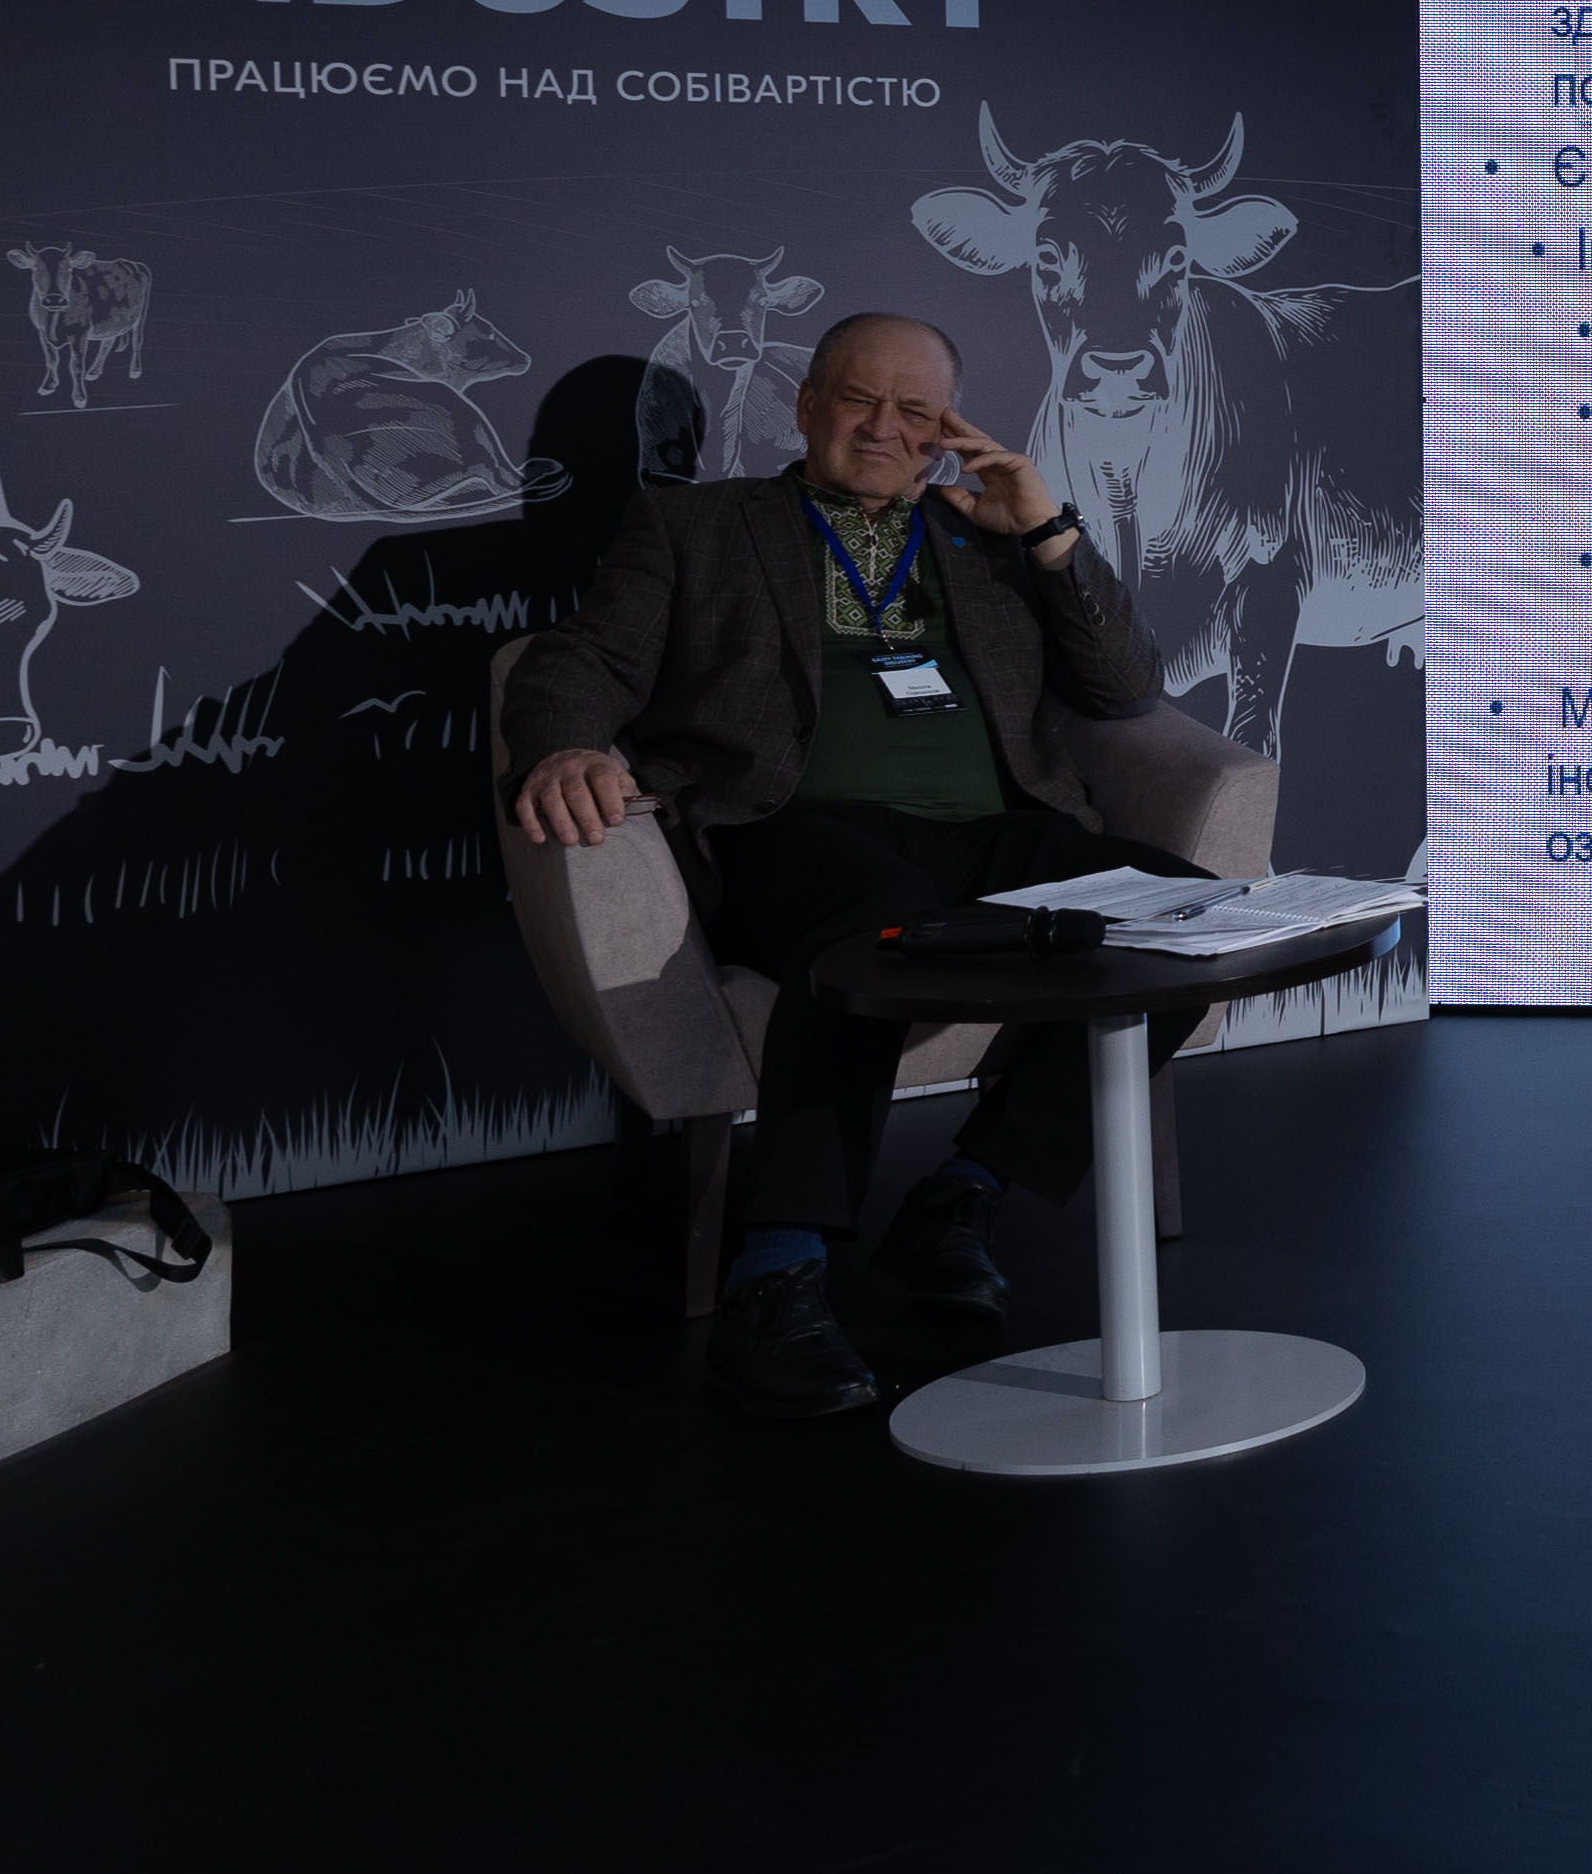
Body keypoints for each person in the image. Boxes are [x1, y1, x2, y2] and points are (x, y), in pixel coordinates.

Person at [502, 312, 1198, 1419]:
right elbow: (577, 659)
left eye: (914, 411)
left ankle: (964, 1194)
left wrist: (1046, 528)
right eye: (859, 401)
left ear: (946, 429)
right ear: (807, 404)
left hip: (988, 829)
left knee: (1190, 918)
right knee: (880, 915)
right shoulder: (697, 525)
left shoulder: (983, 535)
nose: (883, 428)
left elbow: (1123, 687)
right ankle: (774, 1279)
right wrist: (566, 742)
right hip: (786, 824)